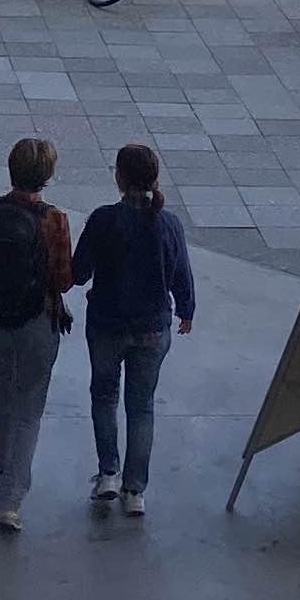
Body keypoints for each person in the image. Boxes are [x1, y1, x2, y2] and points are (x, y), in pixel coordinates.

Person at [70, 140, 195, 516]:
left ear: (120, 179)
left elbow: (79, 273)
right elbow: (181, 274)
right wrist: (186, 310)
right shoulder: (168, 224)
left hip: (107, 324)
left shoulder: (103, 220)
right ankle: (135, 490)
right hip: (152, 328)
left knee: (104, 396)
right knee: (141, 407)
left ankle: (108, 473)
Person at [0, 133, 73, 531]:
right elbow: (64, 278)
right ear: (47, 176)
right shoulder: (54, 219)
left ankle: (2, 465)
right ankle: (11, 500)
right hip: (37, 321)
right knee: (29, 408)